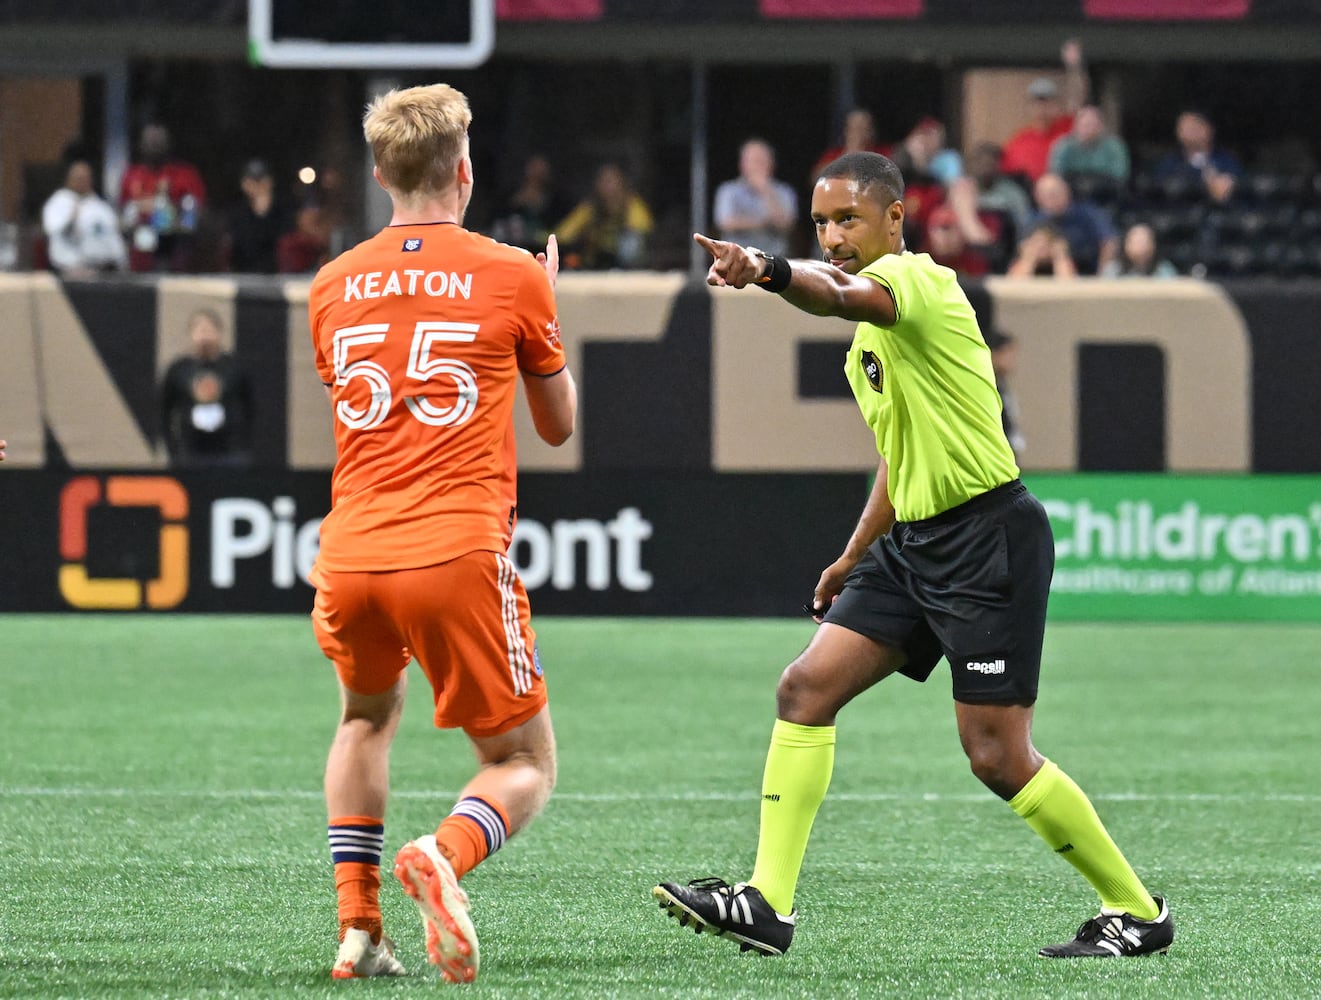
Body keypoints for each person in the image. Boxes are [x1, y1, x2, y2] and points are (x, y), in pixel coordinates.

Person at [652, 151, 1172, 960]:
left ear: (894, 218)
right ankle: (767, 905)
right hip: (911, 545)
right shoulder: (865, 346)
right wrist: (851, 555)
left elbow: (836, 293)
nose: (831, 235)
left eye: (846, 219)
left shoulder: (920, 284)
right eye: (820, 222)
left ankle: (1136, 910)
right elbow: (898, 460)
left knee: (996, 756)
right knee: (804, 687)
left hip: (987, 538)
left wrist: (762, 267)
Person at [307, 83, 577, 984]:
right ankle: (445, 858)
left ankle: (357, 928)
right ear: (463, 171)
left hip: (350, 550)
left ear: (380, 174)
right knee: (522, 760)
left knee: (362, 719)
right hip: (455, 549)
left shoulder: (331, 283)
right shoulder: (513, 273)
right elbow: (556, 426)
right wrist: (548, 312)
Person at [158, 308, 254, 467]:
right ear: (191, 334)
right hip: (190, 452)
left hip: (229, 453)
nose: (204, 336)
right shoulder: (179, 369)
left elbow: (249, 407)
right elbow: (164, 410)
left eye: (209, 330)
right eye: (200, 330)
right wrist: (173, 451)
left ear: (219, 333)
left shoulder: (234, 367)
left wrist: (243, 446)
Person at [118, 123, 207, 272]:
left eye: (159, 142)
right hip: (141, 245)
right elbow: (124, 211)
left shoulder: (185, 174)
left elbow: (195, 211)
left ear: (167, 144)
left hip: (176, 244)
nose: (154, 146)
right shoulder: (131, 175)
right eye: (150, 142)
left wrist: (164, 207)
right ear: (141, 144)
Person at [1000, 39, 1089, 184]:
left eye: (1048, 103)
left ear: (1057, 106)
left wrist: (1074, 67)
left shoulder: (1067, 127)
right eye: (1037, 104)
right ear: (1029, 108)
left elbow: (1078, 97)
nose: (1042, 109)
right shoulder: (1018, 141)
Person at [555, 162, 654, 270]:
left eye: (610, 181)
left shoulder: (632, 204)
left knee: (632, 240)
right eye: (603, 181)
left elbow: (642, 228)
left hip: (624, 261)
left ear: (622, 183)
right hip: (595, 260)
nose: (606, 186)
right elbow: (564, 234)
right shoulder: (590, 208)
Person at [41, 159, 128, 276]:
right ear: (69, 179)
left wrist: (121, 262)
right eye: (78, 178)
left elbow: (114, 235)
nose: (83, 181)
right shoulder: (58, 201)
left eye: (86, 178)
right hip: (70, 272)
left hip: (103, 271)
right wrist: (71, 219)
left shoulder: (100, 206)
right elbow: (54, 230)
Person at [713, 138, 798, 256]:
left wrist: (766, 192)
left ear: (772, 163)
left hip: (774, 260)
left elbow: (786, 225)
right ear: (742, 164)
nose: (758, 166)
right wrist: (762, 223)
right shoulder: (728, 190)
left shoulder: (785, 191)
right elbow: (725, 223)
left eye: (762, 161)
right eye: (753, 161)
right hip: (738, 258)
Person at [1021, 172, 1116, 275]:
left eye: (1055, 193)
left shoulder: (1088, 214)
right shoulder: (1032, 220)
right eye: (1046, 195)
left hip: (1088, 273)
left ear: (1067, 191)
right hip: (1040, 276)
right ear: (1038, 198)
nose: (1052, 198)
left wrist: (1100, 275)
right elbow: (1023, 253)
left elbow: (1108, 243)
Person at [1151, 110, 1242, 204]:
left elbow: (1238, 183)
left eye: (1192, 127)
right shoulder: (1169, 163)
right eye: (1182, 128)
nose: (1186, 133)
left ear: (1208, 129)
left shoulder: (1226, 161)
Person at [490, 152, 571, 254]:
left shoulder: (558, 199)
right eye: (534, 168)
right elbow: (498, 220)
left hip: (543, 246)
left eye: (542, 169)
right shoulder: (512, 195)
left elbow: (561, 229)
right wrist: (517, 203)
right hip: (515, 245)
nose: (537, 173)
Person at [227, 158, 291, 274]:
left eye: (261, 180)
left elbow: (283, 241)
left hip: (277, 275)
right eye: (252, 181)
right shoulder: (238, 212)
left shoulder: (283, 209)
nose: (257, 186)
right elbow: (241, 246)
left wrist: (264, 213)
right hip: (243, 274)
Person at [1048, 105, 1131, 188]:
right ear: (1076, 126)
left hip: (1106, 191)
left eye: (1093, 125)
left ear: (1101, 127)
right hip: (1071, 191)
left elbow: (1120, 175)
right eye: (1085, 125)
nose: (1089, 130)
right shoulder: (1063, 146)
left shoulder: (1114, 146)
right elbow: (1056, 175)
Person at [811, 107, 888, 181]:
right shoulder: (833, 154)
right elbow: (816, 179)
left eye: (863, 129)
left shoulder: (882, 154)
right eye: (855, 129)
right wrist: (848, 154)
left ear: (872, 132)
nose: (859, 134)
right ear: (846, 131)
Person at [919, 204, 989, 277]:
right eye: (936, 229)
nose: (944, 236)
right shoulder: (920, 261)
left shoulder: (974, 261)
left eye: (948, 228)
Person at [1101, 222, 1178, 278]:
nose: (1140, 246)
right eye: (1136, 241)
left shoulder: (1164, 270)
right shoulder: (1113, 270)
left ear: (1153, 245)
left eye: (1144, 241)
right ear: (1126, 245)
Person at [1005, 221, 1079, 278]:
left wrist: (1060, 256)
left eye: (1048, 241)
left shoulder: (1065, 262)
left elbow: (1068, 286)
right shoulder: (1019, 263)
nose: (1041, 246)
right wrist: (1028, 259)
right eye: (1036, 242)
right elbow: (1014, 285)